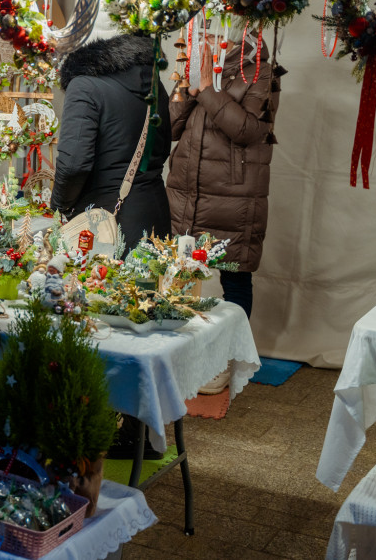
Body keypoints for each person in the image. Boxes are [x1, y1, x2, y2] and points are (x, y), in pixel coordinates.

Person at [167, 32, 279, 394]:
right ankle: (178, 352)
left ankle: (223, 361)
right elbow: (169, 127)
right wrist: (185, 85)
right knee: (176, 273)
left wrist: (205, 88)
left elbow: (247, 130)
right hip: (187, 188)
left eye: (215, 27)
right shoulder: (194, 62)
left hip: (234, 194)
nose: (207, 34)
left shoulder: (260, 70)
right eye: (203, 27)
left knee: (234, 277)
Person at [50, 33, 173, 249]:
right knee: (153, 283)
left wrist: (60, 205)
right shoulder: (156, 87)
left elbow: (73, 165)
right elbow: (161, 150)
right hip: (155, 215)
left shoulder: (84, 86)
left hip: (106, 223)